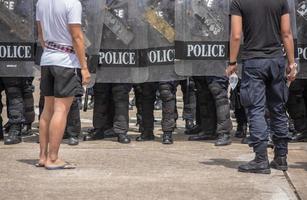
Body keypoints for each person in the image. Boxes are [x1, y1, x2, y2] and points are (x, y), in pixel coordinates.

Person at [228, 0, 297, 174]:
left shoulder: (238, 2)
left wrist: (232, 62)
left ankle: (260, 159)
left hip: (253, 61)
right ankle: (281, 157)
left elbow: (236, 35)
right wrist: (291, 62)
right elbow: (286, 33)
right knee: (278, 109)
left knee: (255, 109)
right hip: (276, 61)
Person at [36, 0, 90, 169]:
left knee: (47, 110)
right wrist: (84, 67)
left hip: (48, 58)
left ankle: (43, 156)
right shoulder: (72, 3)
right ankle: (53, 158)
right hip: (66, 61)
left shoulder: (41, 2)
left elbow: (41, 35)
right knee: (61, 110)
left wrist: (51, 49)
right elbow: (77, 36)